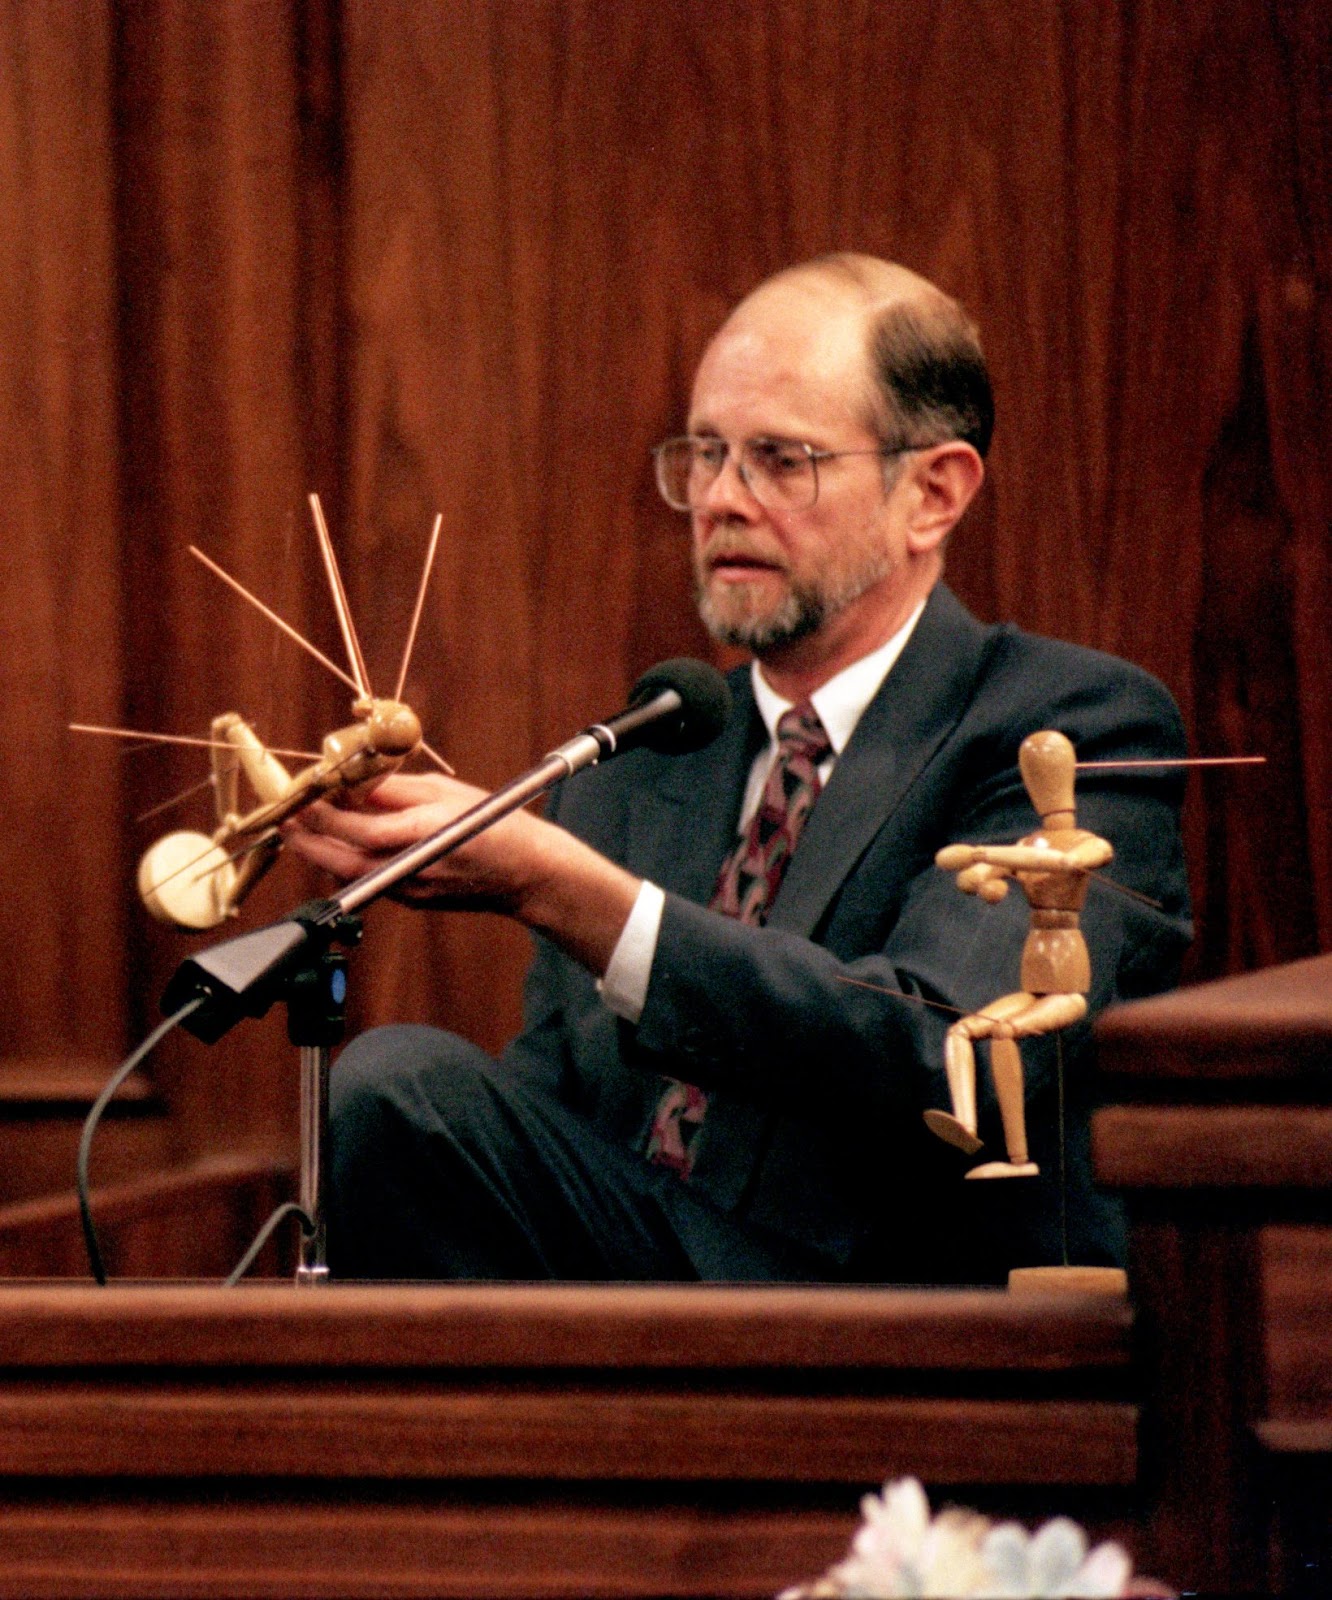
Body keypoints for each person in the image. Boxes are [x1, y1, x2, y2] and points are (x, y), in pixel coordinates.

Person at [284, 254, 1191, 1284]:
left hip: (894, 1324)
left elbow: (958, 1054)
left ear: (932, 493)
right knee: (409, 1107)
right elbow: (548, 1118)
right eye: (706, 454)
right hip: (628, 1310)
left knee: (404, 1084)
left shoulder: (1065, 730)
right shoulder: (644, 750)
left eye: (780, 459)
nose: (720, 499)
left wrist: (576, 895)